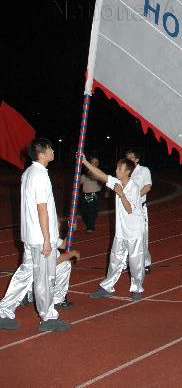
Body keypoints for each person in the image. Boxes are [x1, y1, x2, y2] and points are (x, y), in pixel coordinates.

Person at [0, 138, 72, 332]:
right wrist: (48, 240)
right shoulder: (39, 175)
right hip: (39, 237)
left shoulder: (28, 173)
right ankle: (47, 317)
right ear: (42, 153)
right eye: (50, 149)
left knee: (25, 274)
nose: (53, 151)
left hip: (30, 235)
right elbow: (42, 209)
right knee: (44, 278)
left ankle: (4, 310)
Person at [80, 154, 145, 300]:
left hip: (134, 231)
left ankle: (137, 288)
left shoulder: (133, 187)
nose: (116, 170)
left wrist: (121, 194)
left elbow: (129, 209)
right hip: (121, 230)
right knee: (115, 259)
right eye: (116, 168)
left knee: (135, 262)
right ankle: (107, 287)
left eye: (120, 168)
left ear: (127, 172)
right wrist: (84, 162)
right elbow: (101, 175)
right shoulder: (116, 182)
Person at [22, 219, 80, 310]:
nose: (59, 224)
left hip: (44, 270)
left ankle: (56, 299)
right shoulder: (42, 239)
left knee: (64, 265)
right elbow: (53, 261)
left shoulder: (51, 236)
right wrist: (72, 254)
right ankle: (29, 293)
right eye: (57, 222)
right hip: (38, 271)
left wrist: (71, 230)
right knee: (64, 265)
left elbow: (64, 245)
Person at [125, 149, 152, 273]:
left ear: (137, 159)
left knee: (142, 236)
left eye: (131, 158)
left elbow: (147, 187)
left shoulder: (144, 170)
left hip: (140, 208)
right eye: (127, 158)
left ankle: (145, 263)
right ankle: (128, 262)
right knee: (127, 236)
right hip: (126, 209)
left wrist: (134, 198)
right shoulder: (124, 172)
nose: (129, 160)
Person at [79, 155, 105, 233]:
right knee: (83, 212)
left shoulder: (100, 173)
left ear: (98, 164)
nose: (94, 163)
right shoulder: (85, 173)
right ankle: (90, 225)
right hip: (85, 195)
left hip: (94, 195)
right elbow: (79, 183)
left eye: (96, 162)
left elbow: (105, 182)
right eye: (92, 162)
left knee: (91, 211)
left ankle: (90, 227)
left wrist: (106, 192)